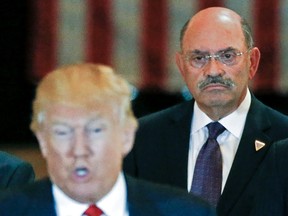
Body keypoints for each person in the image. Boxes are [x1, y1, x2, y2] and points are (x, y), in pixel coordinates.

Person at [123, 7, 288, 216]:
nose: (213, 70)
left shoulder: (284, 138)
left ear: (252, 62)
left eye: (227, 56)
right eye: (199, 58)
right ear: (182, 66)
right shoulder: (142, 139)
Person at [0, 63, 215, 216]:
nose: (80, 149)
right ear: (43, 141)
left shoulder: (187, 212)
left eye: (95, 131)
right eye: (63, 132)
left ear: (127, 136)